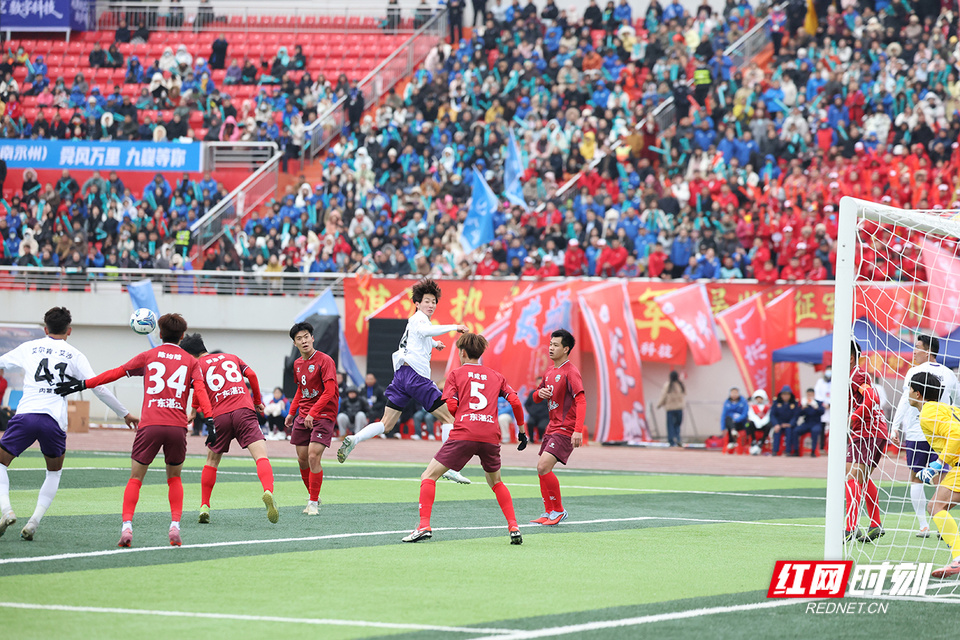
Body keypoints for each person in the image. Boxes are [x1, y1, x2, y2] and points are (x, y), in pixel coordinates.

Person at [55, 313, 211, 548]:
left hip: (150, 425)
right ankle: (175, 526)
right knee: (174, 478)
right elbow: (200, 392)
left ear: (160, 334)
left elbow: (115, 373)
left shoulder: (148, 356)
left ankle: (127, 527)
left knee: (136, 478)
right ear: (181, 337)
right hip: (177, 427)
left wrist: (83, 384)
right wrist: (210, 419)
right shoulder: (191, 362)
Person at [0, 307, 136, 541]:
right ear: (69, 330)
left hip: (26, 416)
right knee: (53, 473)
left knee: (1, 462)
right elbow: (98, 387)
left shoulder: (29, 347)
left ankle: (6, 510)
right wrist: (124, 413)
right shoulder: (75, 355)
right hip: (53, 421)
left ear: (45, 329)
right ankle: (33, 522)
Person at [337, 279, 470, 483]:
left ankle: (355, 439)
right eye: (427, 301)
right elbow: (425, 331)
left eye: (433, 302)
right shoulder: (420, 319)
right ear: (417, 303)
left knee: (386, 423)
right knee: (449, 418)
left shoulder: (414, 322)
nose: (431, 305)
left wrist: (435, 343)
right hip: (416, 377)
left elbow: (418, 338)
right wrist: (455, 326)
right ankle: (449, 466)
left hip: (401, 377)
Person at [402, 333, 526, 543]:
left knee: (428, 476)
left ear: (462, 352)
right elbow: (515, 402)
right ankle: (514, 526)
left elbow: (451, 405)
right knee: (496, 482)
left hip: (464, 433)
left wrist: (461, 415)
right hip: (490, 436)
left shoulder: (455, 374)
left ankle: (424, 526)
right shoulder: (496, 376)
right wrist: (522, 432)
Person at [179, 334, 277, 525]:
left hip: (219, 416)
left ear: (190, 354)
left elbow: (198, 389)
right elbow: (252, 375)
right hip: (244, 410)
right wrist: (257, 401)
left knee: (211, 461)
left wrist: (193, 411)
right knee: (261, 456)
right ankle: (268, 490)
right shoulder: (232, 357)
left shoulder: (197, 366)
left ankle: (205, 506)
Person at [891, 334, 960, 537]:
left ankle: (924, 525)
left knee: (917, 477)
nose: (914, 351)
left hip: (920, 431)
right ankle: (941, 522)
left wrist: (895, 426)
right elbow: (956, 401)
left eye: (917, 347)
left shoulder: (915, 372)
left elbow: (904, 400)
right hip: (944, 433)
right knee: (942, 477)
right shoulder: (949, 373)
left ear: (928, 350)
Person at [529, 329, 585, 526]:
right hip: (551, 428)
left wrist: (578, 430)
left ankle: (559, 510)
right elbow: (535, 397)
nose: (551, 348)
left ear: (566, 349)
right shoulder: (550, 372)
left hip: (565, 428)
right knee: (541, 468)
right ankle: (549, 511)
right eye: (550, 344)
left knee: (543, 466)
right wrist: (539, 394)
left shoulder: (571, 372)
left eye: (555, 345)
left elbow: (581, 400)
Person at [907, 371, 960, 577]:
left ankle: (958, 557)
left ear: (918, 393)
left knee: (935, 506)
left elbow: (956, 435)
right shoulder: (948, 408)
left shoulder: (928, 412)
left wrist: (937, 464)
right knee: (939, 506)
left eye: (910, 389)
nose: (908, 393)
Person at [283, 322, 339, 516]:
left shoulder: (325, 361)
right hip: (304, 414)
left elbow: (330, 391)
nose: (304, 341)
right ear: (295, 343)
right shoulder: (297, 364)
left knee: (313, 455)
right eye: (299, 338)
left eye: (306, 336)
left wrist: (312, 413)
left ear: (312, 338)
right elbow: (301, 389)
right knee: (302, 459)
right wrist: (292, 412)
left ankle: (313, 502)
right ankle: (313, 495)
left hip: (323, 414)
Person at [844, 341, 888, 543]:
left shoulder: (856, 375)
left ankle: (850, 528)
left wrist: (852, 417)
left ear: (851, 357)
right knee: (859, 476)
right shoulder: (853, 375)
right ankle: (875, 523)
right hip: (869, 432)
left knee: (852, 476)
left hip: (868, 431)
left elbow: (872, 399)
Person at [792, 388, 825, 457]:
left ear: (814, 394)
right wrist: (802, 408)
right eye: (808, 395)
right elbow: (798, 414)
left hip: (816, 423)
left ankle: (813, 451)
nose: (809, 396)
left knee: (815, 431)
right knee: (795, 430)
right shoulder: (804, 403)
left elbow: (822, 412)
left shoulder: (818, 403)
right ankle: (796, 450)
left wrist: (816, 407)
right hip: (807, 423)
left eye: (811, 394)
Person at [657, 371, 686, 447]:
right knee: (677, 425)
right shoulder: (680, 385)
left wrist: (659, 404)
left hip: (670, 409)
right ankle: (678, 438)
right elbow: (685, 393)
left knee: (670, 425)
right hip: (679, 408)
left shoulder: (668, 385)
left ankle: (671, 440)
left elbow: (663, 395)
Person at [770, 386, 799, 456]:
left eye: (787, 394)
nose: (786, 396)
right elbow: (772, 415)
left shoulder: (794, 403)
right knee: (777, 431)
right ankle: (775, 451)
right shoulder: (776, 402)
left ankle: (788, 451)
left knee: (789, 431)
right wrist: (776, 424)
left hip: (789, 424)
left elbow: (795, 416)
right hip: (779, 423)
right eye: (784, 394)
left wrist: (790, 424)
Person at [720, 387, 748, 454]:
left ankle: (731, 441)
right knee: (728, 419)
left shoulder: (743, 402)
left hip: (740, 423)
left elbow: (745, 414)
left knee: (731, 422)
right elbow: (723, 415)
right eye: (732, 393)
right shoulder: (727, 402)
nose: (734, 395)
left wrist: (736, 420)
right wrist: (723, 428)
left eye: (736, 393)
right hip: (730, 423)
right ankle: (733, 431)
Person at [523, 377, 549, 443]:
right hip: (533, 415)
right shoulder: (532, 393)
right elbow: (526, 404)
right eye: (538, 383)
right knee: (530, 423)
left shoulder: (548, 394)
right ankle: (531, 439)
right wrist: (530, 412)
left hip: (544, 417)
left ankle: (540, 438)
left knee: (541, 426)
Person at [746, 389, 771, 455]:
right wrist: (757, 421)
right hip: (755, 424)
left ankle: (762, 441)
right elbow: (751, 416)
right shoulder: (752, 407)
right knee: (749, 424)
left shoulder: (767, 407)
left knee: (769, 425)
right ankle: (753, 440)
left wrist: (762, 422)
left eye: (760, 398)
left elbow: (768, 416)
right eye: (757, 398)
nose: (759, 400)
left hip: (763, 425)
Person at [813, 365, 831, 453]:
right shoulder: (820, 382)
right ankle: (822, 446)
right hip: (822, 408)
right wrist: (823, 403)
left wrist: (830, 404)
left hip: (833, 409)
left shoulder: (837, 381)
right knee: (822, 428)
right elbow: (817, 394)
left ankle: (831, 446)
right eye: (828, 370)